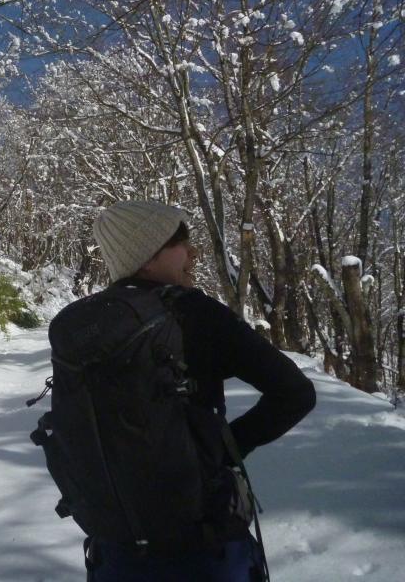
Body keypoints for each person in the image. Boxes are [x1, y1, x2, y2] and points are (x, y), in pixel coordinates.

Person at [80, 200, 316, 581]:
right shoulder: (194, 313)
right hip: (201, 545)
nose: (193, 252)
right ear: (147, 257)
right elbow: (296, 393)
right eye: (180, 241)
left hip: (114, 548)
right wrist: (221, 450)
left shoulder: (85, 325)